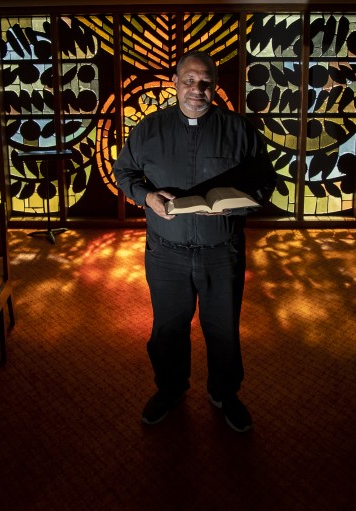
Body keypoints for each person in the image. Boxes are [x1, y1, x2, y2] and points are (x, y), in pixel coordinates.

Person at [113, 51, 276, 433]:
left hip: (222, 251)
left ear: (215, 85)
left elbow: (265, 182)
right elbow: (125, 172)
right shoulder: (148, 129)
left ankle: (225, 393)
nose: (196, 90)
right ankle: (170, 390)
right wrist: (146, 197)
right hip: (166, 252)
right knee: (168, 328)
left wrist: (236, 206)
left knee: (222, 328)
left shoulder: (240, 130)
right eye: (189, 80)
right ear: (175, 81)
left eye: (205, 82)